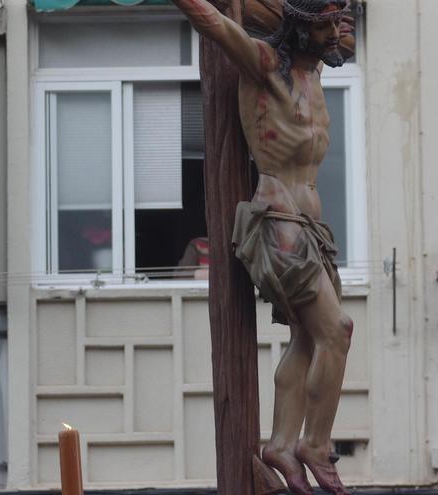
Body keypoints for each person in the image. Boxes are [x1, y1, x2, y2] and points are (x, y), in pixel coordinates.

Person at [169, 1, 354, 493]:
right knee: (337, 329)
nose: (336, 33)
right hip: (277, 222)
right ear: (299, 28)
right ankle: (315, 444)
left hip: (311, 229)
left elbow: (345, 35)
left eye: (338, 24)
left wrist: (341, 18)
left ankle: (280, 443)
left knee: (308, 337)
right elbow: (212, 22)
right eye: (326, 25)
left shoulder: (317, 69)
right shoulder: (265, 64)